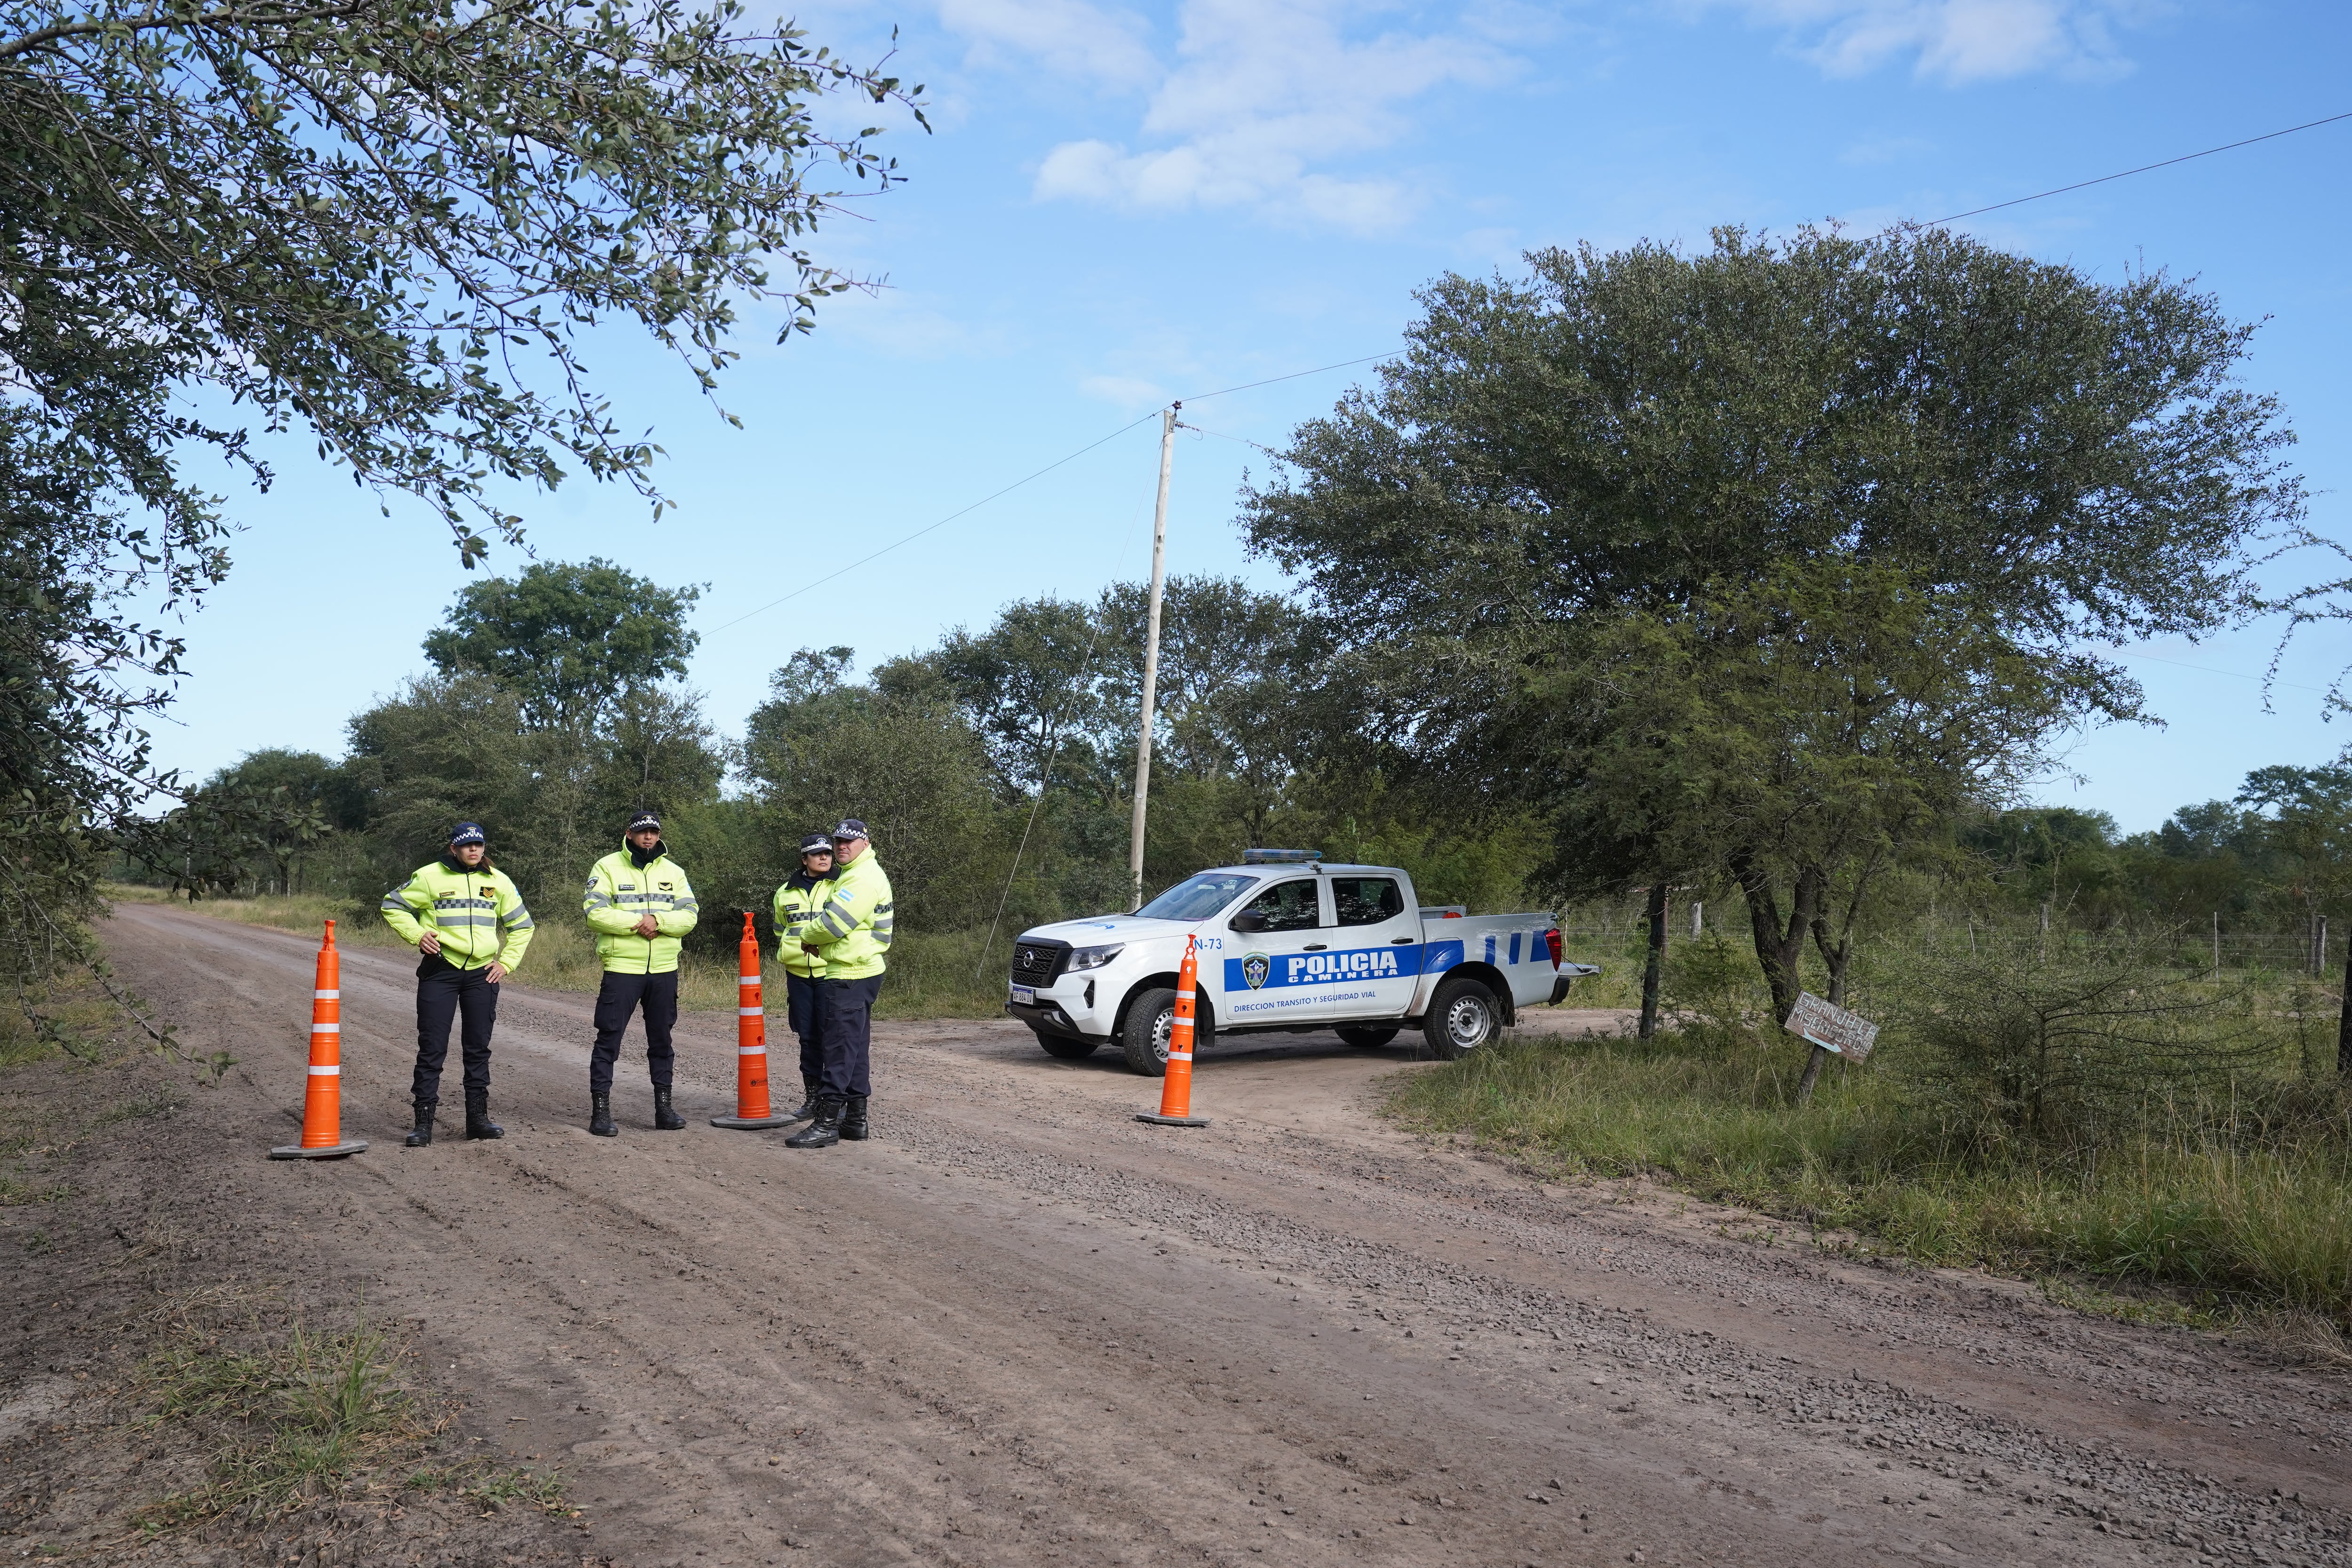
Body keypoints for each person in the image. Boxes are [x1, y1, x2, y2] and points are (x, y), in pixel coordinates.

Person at [380, 822, 535, 1147]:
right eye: (466, 846)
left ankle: (478, 1120)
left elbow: (523, 926)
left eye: (478, 844)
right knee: (432, 1048)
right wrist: (417, 935)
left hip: (482, 974)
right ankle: (423, 1123)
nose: (473, 850)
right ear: (454, 848)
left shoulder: (498, 880)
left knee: (478, 1048)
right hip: (441, 971)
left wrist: (506, 963)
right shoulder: (429, 876)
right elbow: (392, 905)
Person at [581, 810, 700, 1137]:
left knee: (662, 1041)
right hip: (622, 968)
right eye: (642, 831)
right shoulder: (607, 866)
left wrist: (659, 922)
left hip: (664, 969)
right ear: (629, 834)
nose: (648, 836)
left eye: (654, 831)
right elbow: (595, 914)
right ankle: (601, 1112)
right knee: (609, 1040)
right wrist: (640, 924)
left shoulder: (674, 872)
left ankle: (664, 1109)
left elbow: (690, 915)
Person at [779, 818, 892, 1149]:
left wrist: (809, 937)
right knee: (854, 1049)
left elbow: (833, 924)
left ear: (865, 844)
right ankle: (855, 1120)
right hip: (860, 969)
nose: (842, 846)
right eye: (839, 841)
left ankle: (827, 1123)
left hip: (850, 973)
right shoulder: (859, 874)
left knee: (839, 1049)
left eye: (849, 842)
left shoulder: (861, 878)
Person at [769, 832, 836, 1124]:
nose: (824, 858)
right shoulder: (785, 892)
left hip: (829, 973)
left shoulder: (840, 887)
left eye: (828, 853)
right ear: (804, 859)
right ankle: (812, 1098)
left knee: (831, 1037)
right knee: (807, 1038)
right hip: (797, 974)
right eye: (817, 853)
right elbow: (779, 930)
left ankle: (835, 1100)